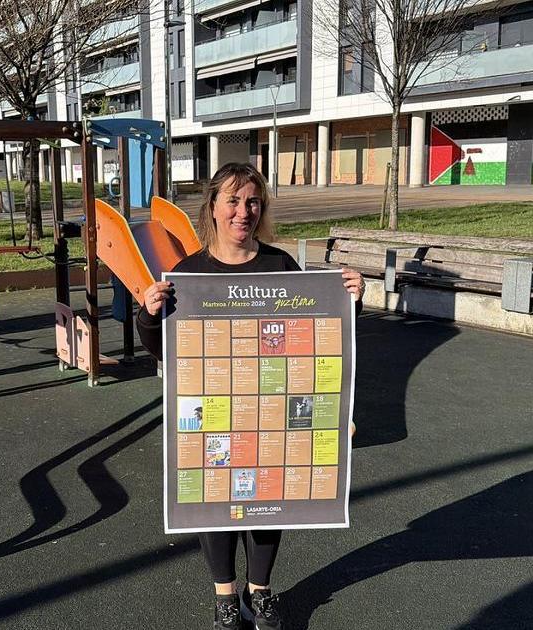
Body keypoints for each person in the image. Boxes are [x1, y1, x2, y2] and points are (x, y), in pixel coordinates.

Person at [135, 162, 365, 630]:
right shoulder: (187, 274)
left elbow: (316, 335)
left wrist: (350, 301)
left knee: (268, 498)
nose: (244, 211)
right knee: (214, 500)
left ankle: (259, 592)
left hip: (272, 412)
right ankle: (225, 596)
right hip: (211, 413)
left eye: (253, 201)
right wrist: (147, 315)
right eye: (234, 201)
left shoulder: (281, 266)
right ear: (213, 207)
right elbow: (165, 351)